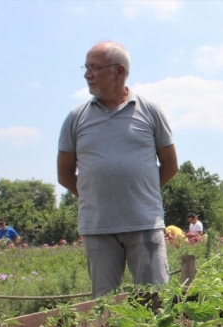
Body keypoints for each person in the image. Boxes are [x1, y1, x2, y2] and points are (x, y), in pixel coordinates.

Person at [57, 40, 178, 298]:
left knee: (156, 304)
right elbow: (65, 174)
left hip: (145, 225)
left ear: (119, 71)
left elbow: (170, 165)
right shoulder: (75, 117)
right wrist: (97, 197)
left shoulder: (150, 111)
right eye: (86, 67)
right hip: (98, 228)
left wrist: (139, 194)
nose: (87, 74)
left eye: (95, 67)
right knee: (104, 310)